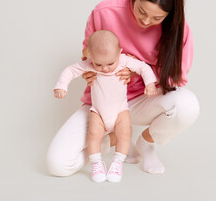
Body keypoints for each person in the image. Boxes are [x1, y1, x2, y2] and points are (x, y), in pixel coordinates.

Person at [47, 0, 200, 177]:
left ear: (169, 16)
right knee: (58, 164)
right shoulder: (105, 11)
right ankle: (116, 139)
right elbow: (87, 51)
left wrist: (138, 72)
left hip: (143, 100)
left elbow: (177, 76)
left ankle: (146, 143)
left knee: (187, 106)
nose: (146, 21)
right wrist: (91, 69)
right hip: (100, 105)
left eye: (157, 18)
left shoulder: (177, 29)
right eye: (142, 11)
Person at [54, 30, 158, 182]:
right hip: (98, 111)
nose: (105, 68)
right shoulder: (89, 64)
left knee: (125, 133)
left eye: (110, 63)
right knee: (93, 135)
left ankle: (117, 163)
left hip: (120, 110)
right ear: (91, 57)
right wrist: (61, 86)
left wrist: (150, 84)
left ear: (119, 52)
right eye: (99, 64)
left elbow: (143, 67)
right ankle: (97, 163)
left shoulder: (124, 60)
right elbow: (70, 70)